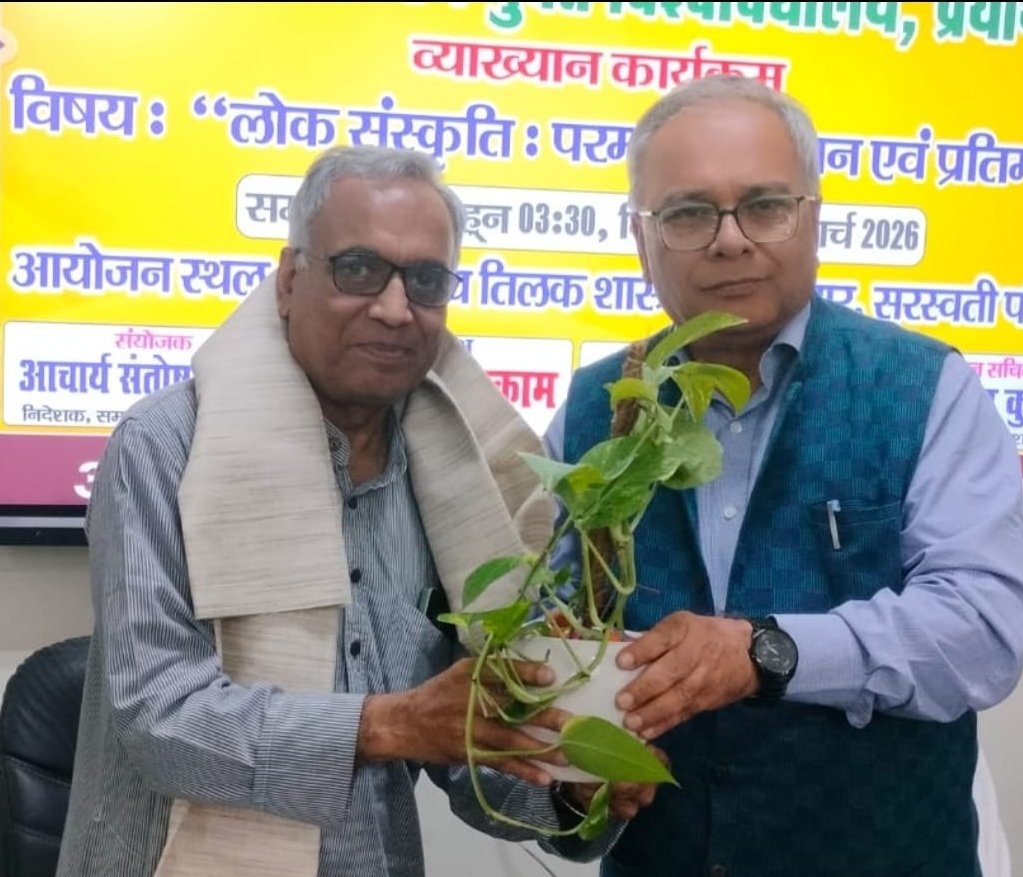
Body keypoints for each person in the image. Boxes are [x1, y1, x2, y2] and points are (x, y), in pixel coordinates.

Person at [57, 145, 653, 877]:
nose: (395, 309)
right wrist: (389, 724)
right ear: (289, 280)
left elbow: (467, 737)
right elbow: (160, 718)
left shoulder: (454, 477)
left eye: (425, 280)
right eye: (360, 269)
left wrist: (573, 785)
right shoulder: (164, 448)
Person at [544, 75, 1023, 877]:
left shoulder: (924, 387)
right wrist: (570, 773)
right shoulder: (594, 409)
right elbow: (553, 644)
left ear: (813, 218)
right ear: (641, 239)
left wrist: (767, 651)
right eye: (689, 213)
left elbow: (984, 627)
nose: (730, 240)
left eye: (764, 205)